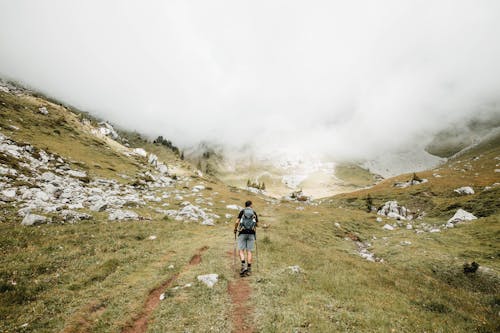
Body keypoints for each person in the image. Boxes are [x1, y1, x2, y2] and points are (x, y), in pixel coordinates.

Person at [234, 200, 258, 276]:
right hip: (251, 234)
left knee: (241, 250)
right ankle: (249, 269)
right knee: (249, 251)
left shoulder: (242, 212)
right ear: (251, 205)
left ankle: (243, 266)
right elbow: (257, 224)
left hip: (242, 233)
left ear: (245, 205)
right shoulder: (254, 212)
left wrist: (235, 229)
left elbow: (237, 222)